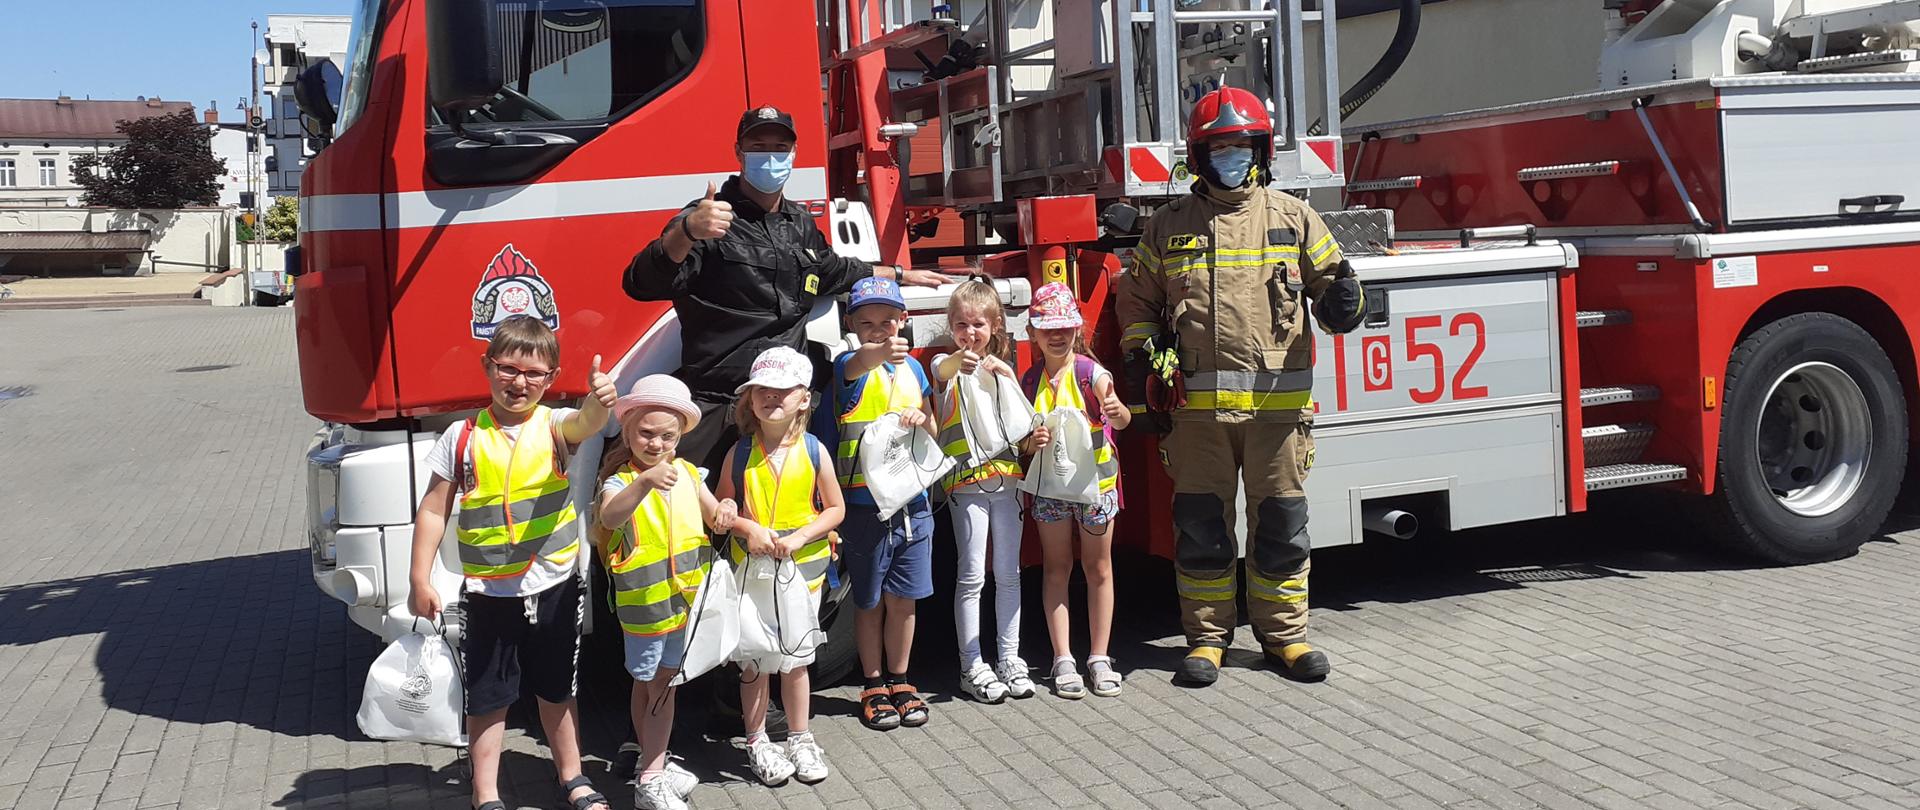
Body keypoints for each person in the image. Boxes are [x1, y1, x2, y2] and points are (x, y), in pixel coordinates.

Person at [1114, 86, 1367, 687]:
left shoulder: (1293, 217)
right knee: (1201, 530)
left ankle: (1285, 638)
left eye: (1242, 147)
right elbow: (1138, 301)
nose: (1231, 158)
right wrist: (1142, 358)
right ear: (1199, 157)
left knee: (1281, 527)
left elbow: (1335, 290)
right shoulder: (1169, 226)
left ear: (1262, 151)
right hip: (1196, 418)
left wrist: (1345, 301)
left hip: (1277, 416)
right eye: (1219, 149)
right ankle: (1206, 639)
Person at [620, 104, 948, 475]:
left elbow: (832, 269)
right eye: (758, 147)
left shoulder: (800, 222)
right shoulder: (708, 216)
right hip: (724, 407)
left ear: (793, 153)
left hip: (790, 407)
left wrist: (898, 274)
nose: (770, 157)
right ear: (739, 152)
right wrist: (687, 232)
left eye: (780, 148)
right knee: (702, 506)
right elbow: (642, 283)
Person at [404, 315, 618, 810]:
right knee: (488, 696)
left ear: (551, 378)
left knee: (557, 688)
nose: (520, 382)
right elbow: (433, 510)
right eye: (508, 369)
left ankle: (573, 776)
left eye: (534, 373)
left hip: (555, 585)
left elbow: (586, 424)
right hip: (489, 593)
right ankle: (485, 793)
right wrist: (419, 578)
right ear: (487, 367)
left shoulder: (555, 426)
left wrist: (599, 401)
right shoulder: (461, 436)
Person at [596, 375, 747, 810]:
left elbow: (715, 518)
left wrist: (727, 509)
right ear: (628, 431)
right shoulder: (621, 481)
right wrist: (644, 482)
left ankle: (653, 762)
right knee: (657, 687)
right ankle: (651, 777)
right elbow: (609, 517)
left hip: (684, 604)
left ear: (681, 436)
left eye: (668, 436)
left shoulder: (688, 474)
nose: (657, 444)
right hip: (645, 609)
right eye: (646, 433)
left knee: (655, 686)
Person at [715, 346, 846, 786]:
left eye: (782, 391)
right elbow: (723, 506)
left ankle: (800, 737)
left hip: (803, 574)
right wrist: (739, 521)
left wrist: (801, 537)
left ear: (804, 399)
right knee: (754, 661)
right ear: (750, 400)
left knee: (795, 659)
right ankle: (756, 741)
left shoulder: (813, 450)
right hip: (751, 574)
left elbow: (835, 509)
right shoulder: (739, 453)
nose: (771, 397)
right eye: (762, 391)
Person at [831, 276, 938, 730]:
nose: (878, 331)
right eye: (867, 323)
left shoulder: (913, 369)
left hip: (912, 502)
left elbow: (933, 427)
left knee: (904, 599)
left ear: (903, 320)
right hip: (864, 505)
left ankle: (901, 680)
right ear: (851, 325)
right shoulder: (847, 365)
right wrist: (879, 350)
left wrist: (921, 419)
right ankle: (872, 684)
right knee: (869, 600)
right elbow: (859, 364)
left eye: (887, 322)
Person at [1020, 282, 1132, 699]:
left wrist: (1117, 412)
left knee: (1098, 569)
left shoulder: (1091, 373)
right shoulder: (1029, 380)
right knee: (1056, 568)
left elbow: (1121, 419)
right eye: (1048, 328)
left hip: (1096, 488)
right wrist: (1032, 442)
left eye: (1065, 327)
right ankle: (1063, 658)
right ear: (1032, 332)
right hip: (1050, 489)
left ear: (1077, 329)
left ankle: (1099, 658)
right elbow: (1021, 442)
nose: (1057, 335)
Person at [930, 280, 1033, 703]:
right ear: (950, 326)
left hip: (1008, 481)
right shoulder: (946, 362)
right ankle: (971, 664)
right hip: (966, 484)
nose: (969, 333)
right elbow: (941, 373)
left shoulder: (1001, 369)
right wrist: (960, 360)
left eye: (978, 325)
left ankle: (1010, 658)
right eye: (961, 324)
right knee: (971, 576)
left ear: (995, 327)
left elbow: (1023, 423)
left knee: (1009, 575)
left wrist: (1006, 376)